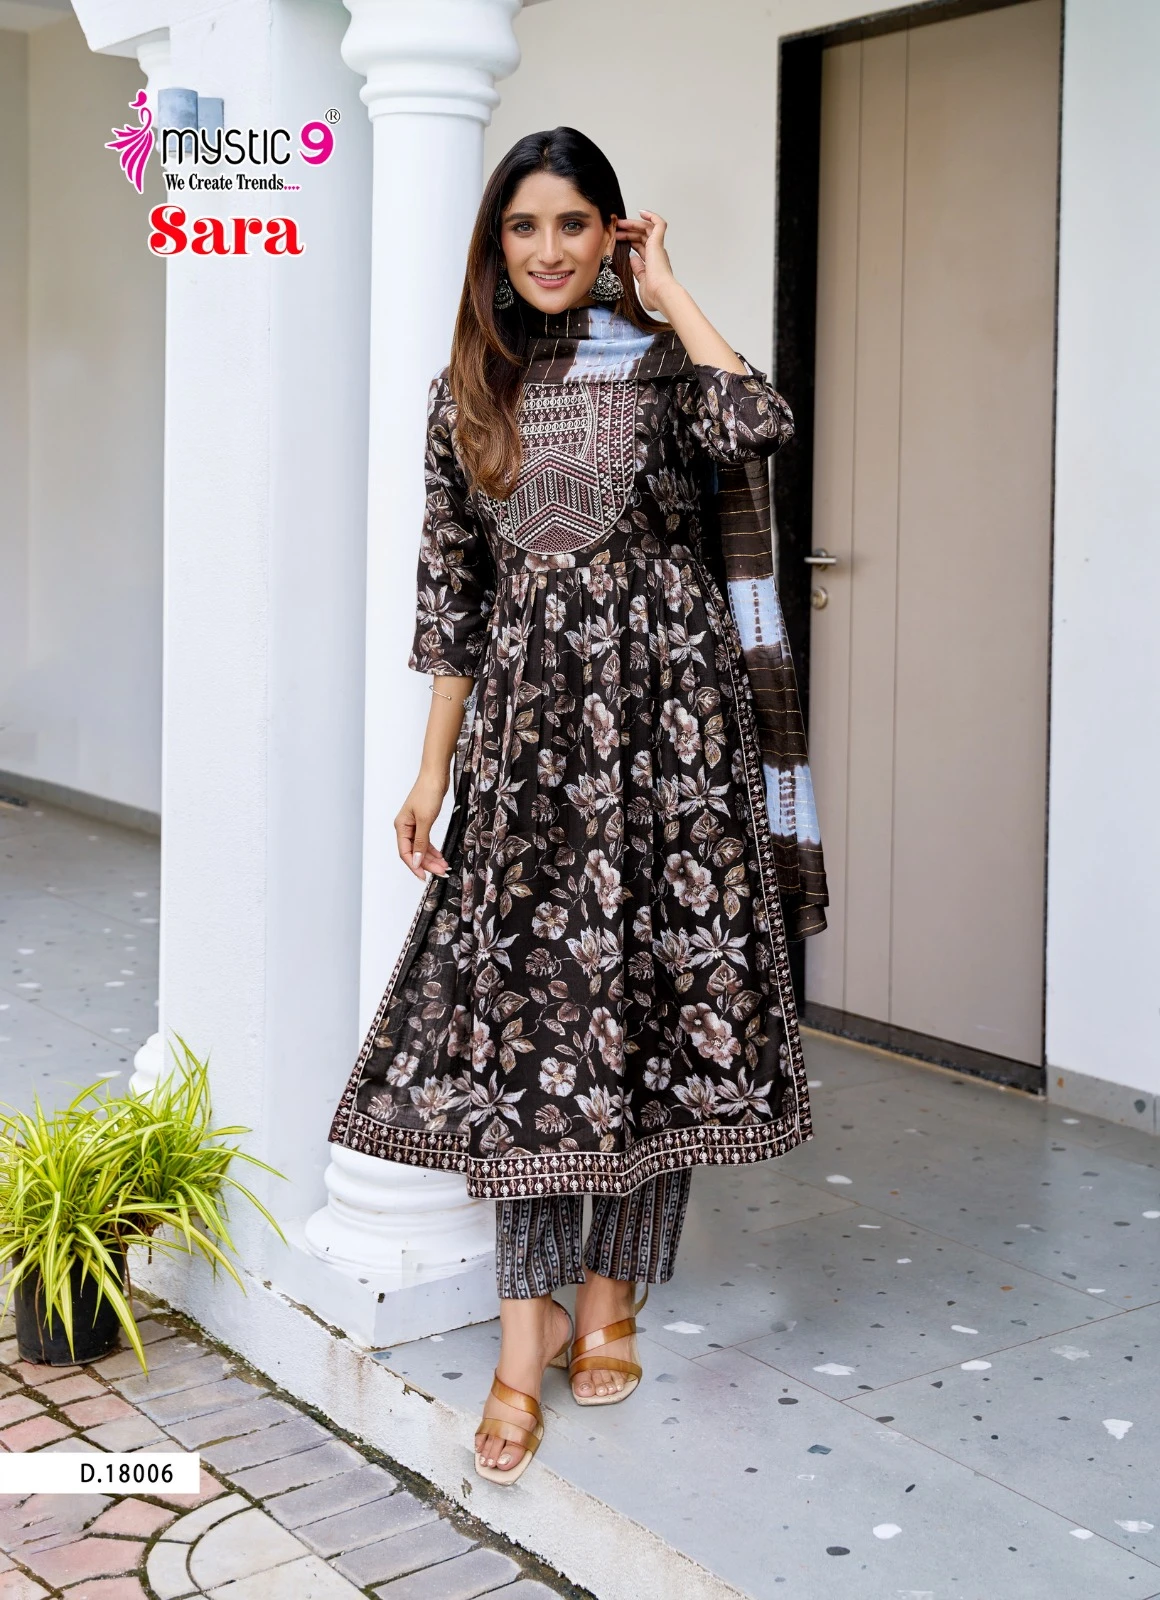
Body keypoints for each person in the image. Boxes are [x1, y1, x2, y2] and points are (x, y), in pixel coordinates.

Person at [326, 126, 827, 1484]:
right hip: (533, 749)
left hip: (675, 743)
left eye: (573, 224)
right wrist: (434, 768)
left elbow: (762, 424)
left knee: (651, 1006)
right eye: (523, 226)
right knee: (539, 1023)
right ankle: (521, 1337)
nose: (547, 250)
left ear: (612, 232)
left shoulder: (666, 367)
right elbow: (453, 601)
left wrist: (670, 293)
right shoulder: (468, 390)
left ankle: (610, 1297)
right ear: (495, 246)